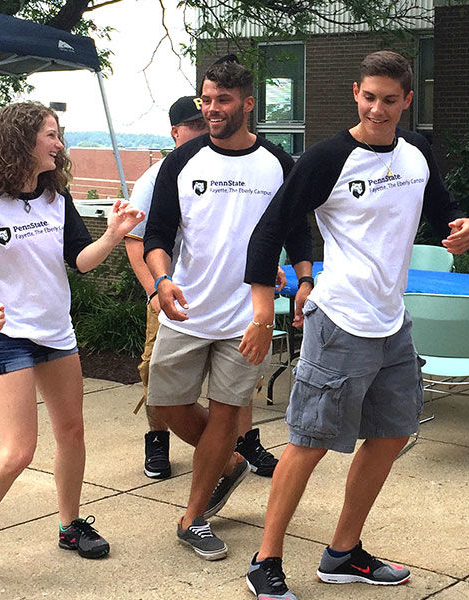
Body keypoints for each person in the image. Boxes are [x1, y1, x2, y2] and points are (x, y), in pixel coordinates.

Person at [240, 50, 469, 599]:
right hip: (341, 320)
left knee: (393, 433)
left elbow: (445, 209)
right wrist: (260, 310)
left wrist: (462, 226)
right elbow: (270, 228)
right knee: (309, 441)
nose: (378, 109)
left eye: (390, 100)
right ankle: (265, 561)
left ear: (407, 100)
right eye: (369, 97)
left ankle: (343, 553)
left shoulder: (417, 150)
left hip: (392, 322)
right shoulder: (328, 159)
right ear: (355, 93)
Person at [0, 102, 144, 598]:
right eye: (51, 134)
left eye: (59, 133)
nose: (59, 143)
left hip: (55, 331)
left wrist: (114, 234)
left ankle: (70, 525)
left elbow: (81, 261)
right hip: (4, 333)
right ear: (22, 141)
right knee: (18, 451)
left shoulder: (56, 196)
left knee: (71, 432)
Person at [143, 57, 311, 561]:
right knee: (167, 405)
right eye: (206, 100)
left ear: (248, 103)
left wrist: (303, 279)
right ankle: (230, 462)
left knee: (225, 413)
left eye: (223, 100)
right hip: (188, 308)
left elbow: (297, 229)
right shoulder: (183, 160)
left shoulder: (277, 162)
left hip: (248, 316)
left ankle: (193, 516)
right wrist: (162, 279)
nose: (212, 110)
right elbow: (156, 234)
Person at [125, 95, 281, 481]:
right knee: (158, 378)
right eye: (193, 125)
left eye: (204, 121)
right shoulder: (161, 175)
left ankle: (242, 443)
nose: (202, 129)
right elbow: (136, 239)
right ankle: (157, 439)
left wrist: (266, 267)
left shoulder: (244, 165)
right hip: (172, 296)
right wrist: (153, 292)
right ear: (175, 132)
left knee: (234, 385)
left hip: (232, 297)